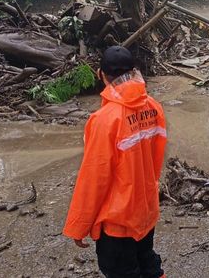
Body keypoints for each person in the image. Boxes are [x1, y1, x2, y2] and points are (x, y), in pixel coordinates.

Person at [63, 46, 167, 278]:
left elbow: (94, 178)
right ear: (133, 72)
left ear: (101, 75)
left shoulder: (104, 120)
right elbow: (155, 160)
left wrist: (79, 225)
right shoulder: (154, 108)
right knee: (148, 263)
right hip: (146, 211)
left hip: (117, 221)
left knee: (123, 271)